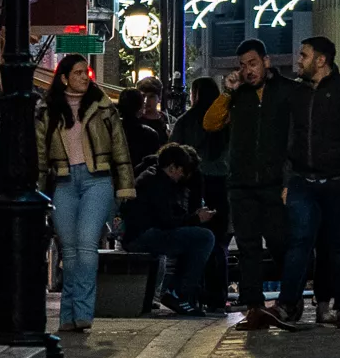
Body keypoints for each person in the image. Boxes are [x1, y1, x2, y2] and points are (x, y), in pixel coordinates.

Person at [275, 35, 340, 329]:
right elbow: (289, 136)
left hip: (337, 181)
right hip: (302, 179)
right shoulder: (298, 93)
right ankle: (288, 303)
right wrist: (287, 178)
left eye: (304, 55)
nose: (298, 60)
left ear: (321, 60)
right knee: (299, 240)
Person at [204, 39, 302, 329]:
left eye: (253, 63)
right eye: (243, 65)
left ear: (266, 61)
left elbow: (298, 135)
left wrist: (289, 178)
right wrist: (226, 93)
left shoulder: (287, 91)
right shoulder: (237, 95)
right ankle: (254, 307)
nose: (248, 70)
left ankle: (289, 301)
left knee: (280, 242)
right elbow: (210, 124)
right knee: (248, 247)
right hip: (242, 183)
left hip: (275, 183)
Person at [37, 54, 135, 333]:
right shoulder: (48, 110)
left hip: (98, 180)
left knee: (85, 245)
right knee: (68, 249)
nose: (84, 77)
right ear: (64, 77)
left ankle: (82, 310)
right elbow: (40, 155)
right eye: (78, 73)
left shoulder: (103, 107)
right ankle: (68, 316)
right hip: (64, 182)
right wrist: (38, 189)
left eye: (86, 72)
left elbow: (120, 148)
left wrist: (125, 186)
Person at [122, 143, 221, 315]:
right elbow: (166, 221)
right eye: (181, 170)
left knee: (193, 238)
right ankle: (178, 293)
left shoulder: (154, 177)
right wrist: (196, 218)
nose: (182, 175)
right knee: (205, 238)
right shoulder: (157, 183)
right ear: (173, 167)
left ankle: (179, 291)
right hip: (143, 236)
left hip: (142, 233)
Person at [171, 76, 230, 308]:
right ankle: (218, 295)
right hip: (223, 184)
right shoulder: (226, 120)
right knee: (219, 242)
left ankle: (194, 292)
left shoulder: (186, 121)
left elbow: (173, 151)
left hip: (196, 184)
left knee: (197, 239)